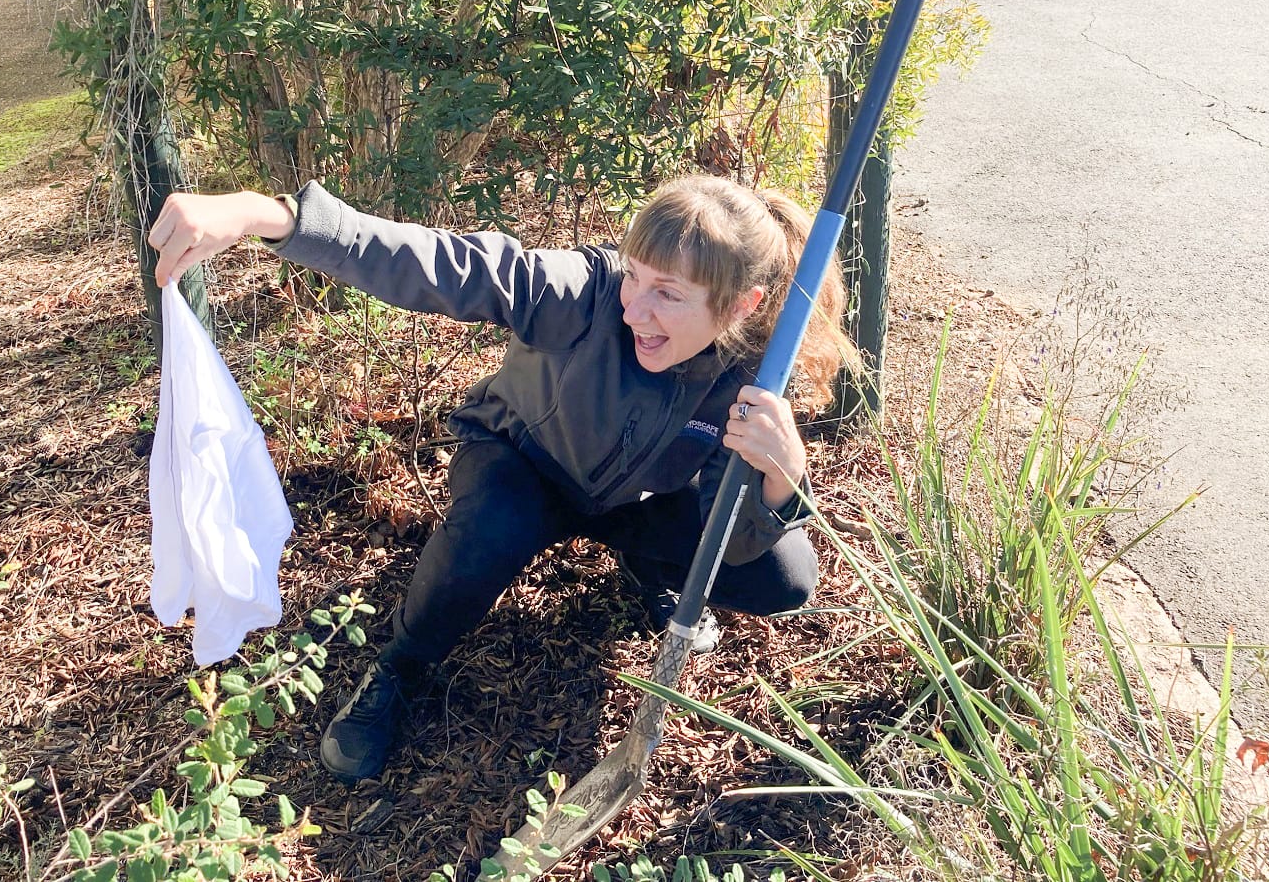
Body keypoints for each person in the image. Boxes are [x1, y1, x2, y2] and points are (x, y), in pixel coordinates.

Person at [147, 175, 854, 781]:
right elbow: (450, 265)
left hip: (630, 501)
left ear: (739, 306)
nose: (635, 308)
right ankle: (399, 666)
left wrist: (780, 480)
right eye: (635, 276)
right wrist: (269, 217)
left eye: (667, 294)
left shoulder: (750, 375)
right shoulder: (586, 293)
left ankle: (646, 566)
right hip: (523, 462)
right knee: (492, 530)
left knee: (785, 574)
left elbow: (736, 538)